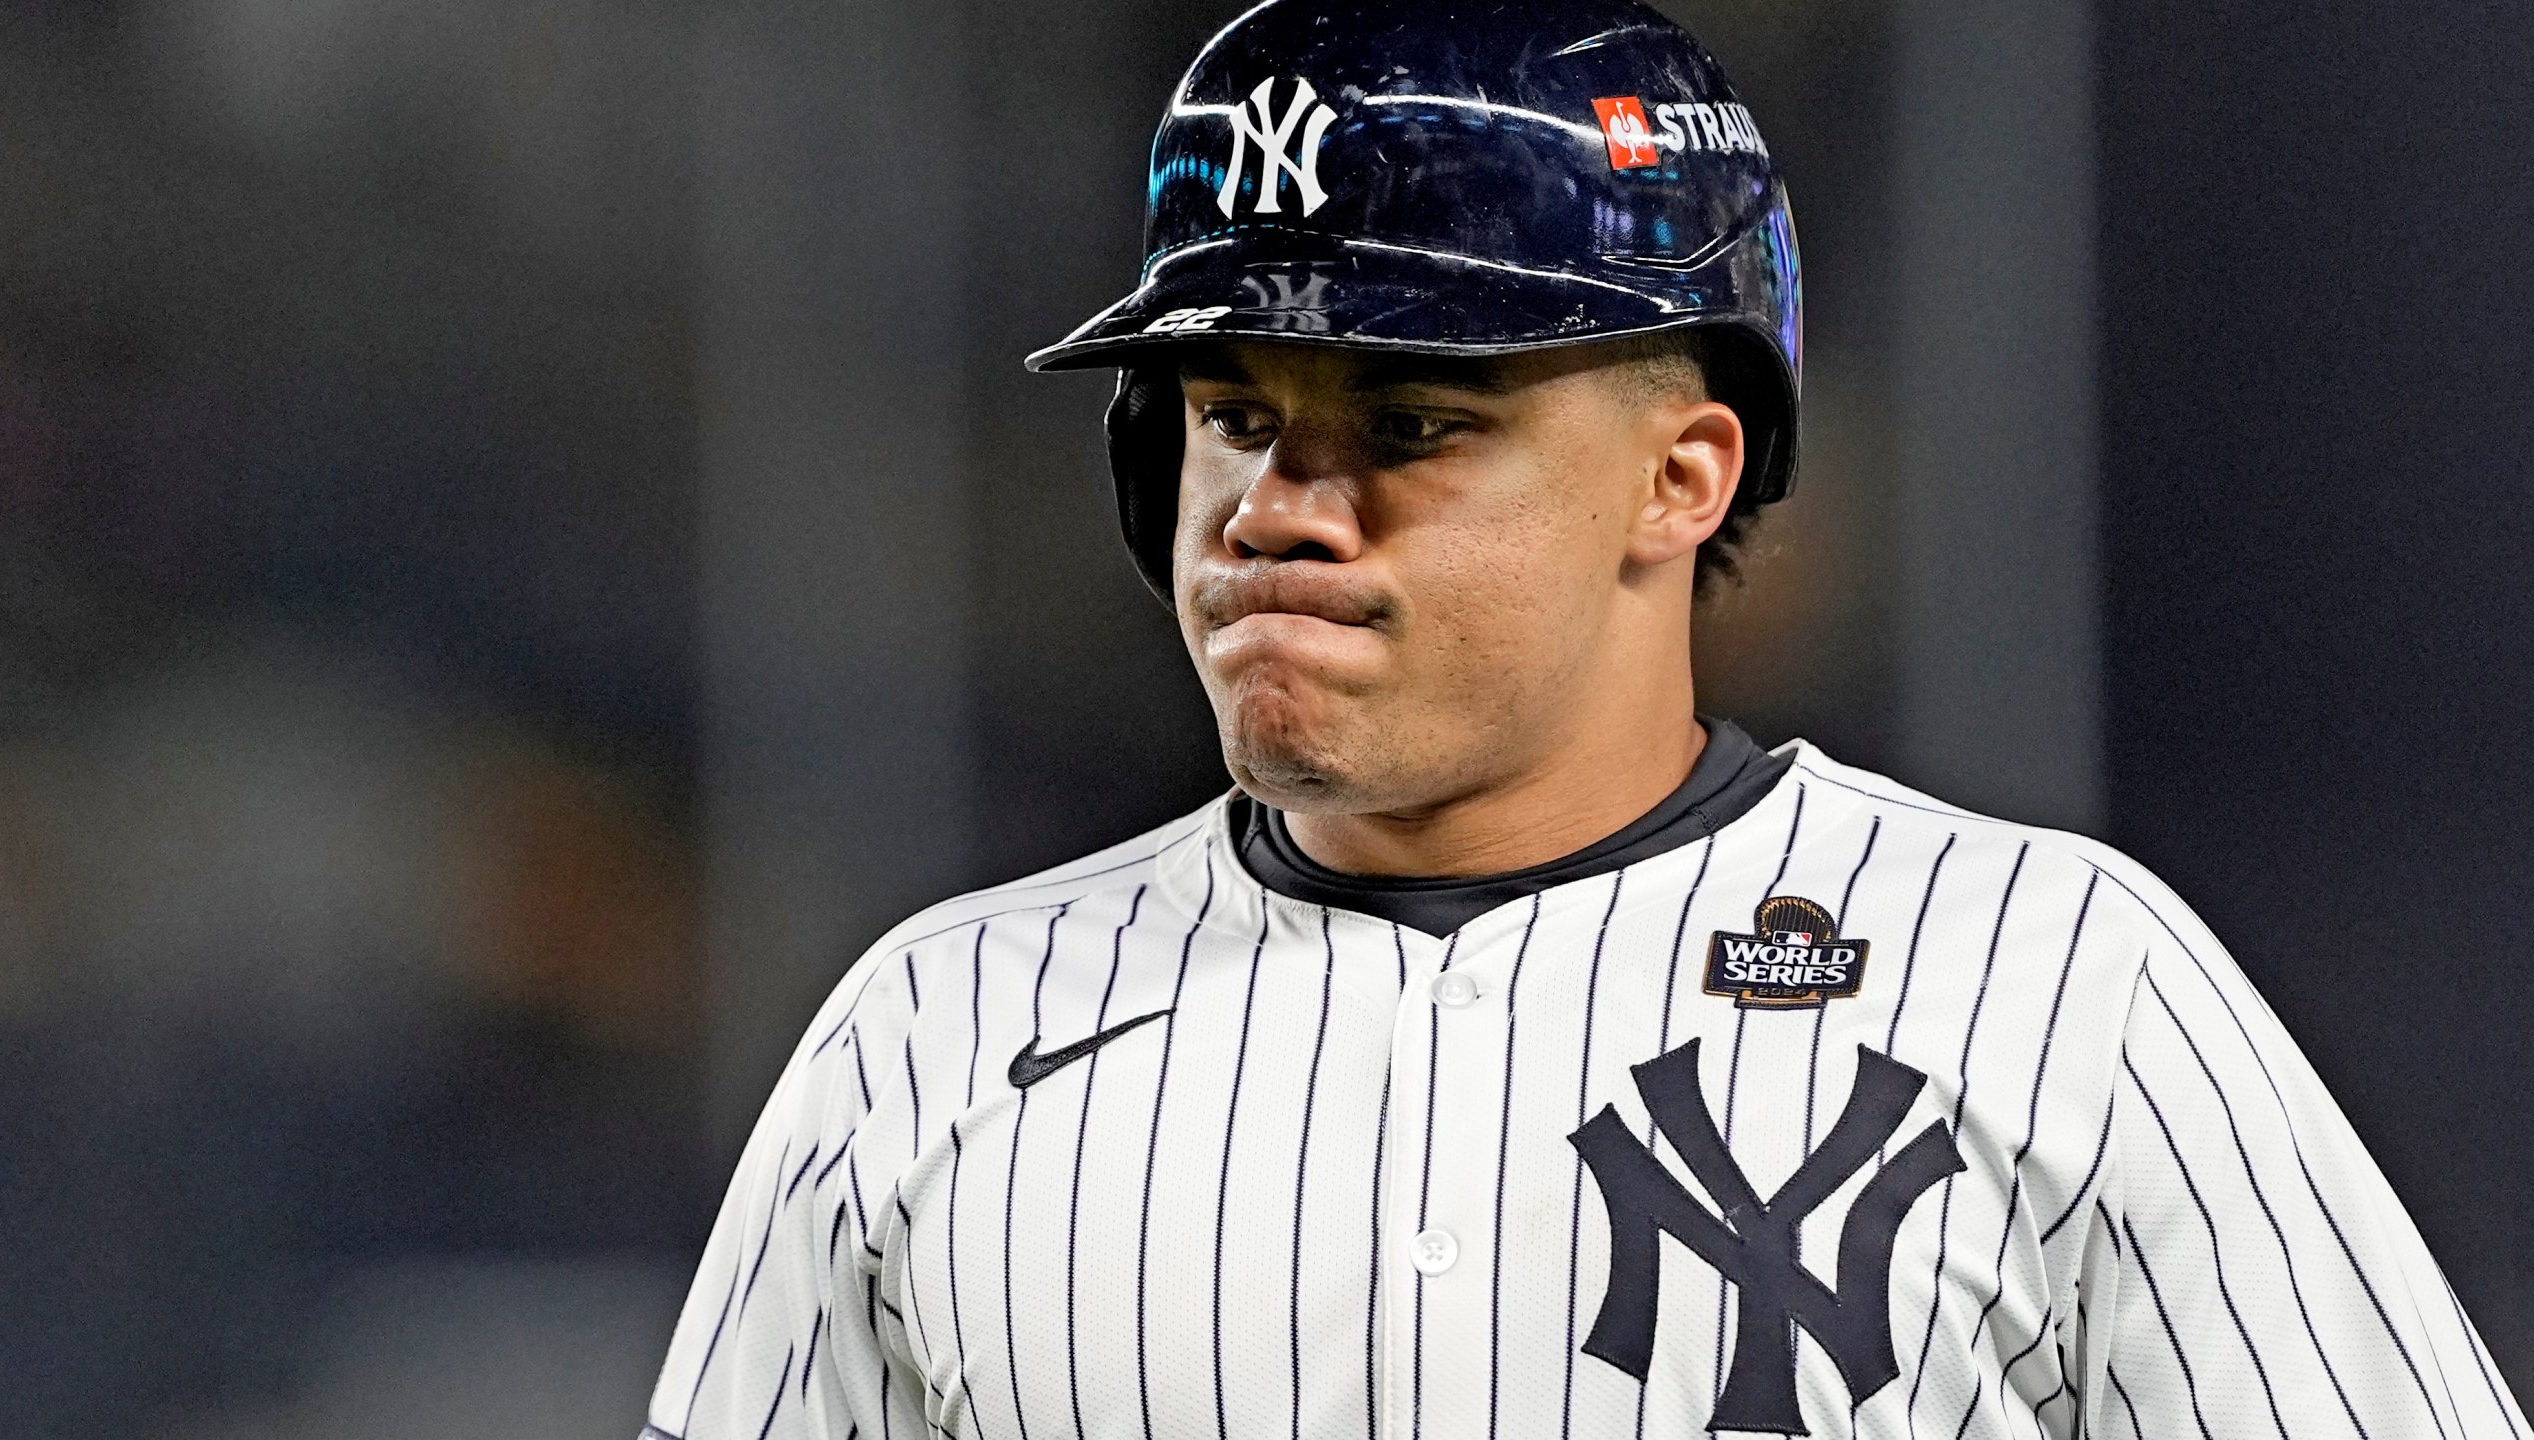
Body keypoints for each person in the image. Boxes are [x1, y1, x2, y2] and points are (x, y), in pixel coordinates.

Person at [643, 1, 2528, 1436]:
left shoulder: (2058, 985)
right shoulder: (933, 1036)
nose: (1278, 505)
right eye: (1230, 412)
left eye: (1412, 422)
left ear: (1682, 476)